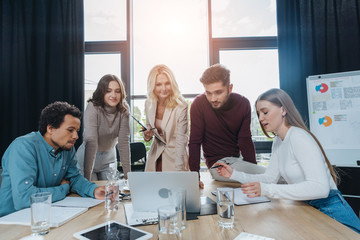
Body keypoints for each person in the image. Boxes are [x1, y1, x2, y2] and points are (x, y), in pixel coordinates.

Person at [214, 88, 360, 233]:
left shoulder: (298, 137)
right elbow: (269, 178)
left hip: (330, 208)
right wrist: (234, 174)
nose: (260, 118)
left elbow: (320, 188)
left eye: (265, 112)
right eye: (258, 114)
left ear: (283, 110)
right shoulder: (278, 141)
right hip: (307, 206)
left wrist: (267, 190)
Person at [0, 102, 106, 217]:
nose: (76, 136)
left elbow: (74, 178)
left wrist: (93, 190)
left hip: (46, 213)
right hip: (13, 221)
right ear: (50, 128)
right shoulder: (23, 147)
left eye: (77, 130)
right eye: (70, 130)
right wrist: (63, 188)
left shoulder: (67, 148)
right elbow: (24, 198)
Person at [189, 64, 263, 188]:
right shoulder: (198, 104)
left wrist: (252, 169)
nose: (213, 98)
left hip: (237, 162)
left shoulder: (243, 103)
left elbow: (245, 140)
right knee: (273, 177)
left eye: (218, 92)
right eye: (208, 93)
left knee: (271, 176)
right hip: (218, 165)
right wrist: (194, 177)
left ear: (230, 88)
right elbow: (194, 143)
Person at [76, 74, 131, 181]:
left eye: (117, 91)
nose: (113, 95)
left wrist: (128, 177)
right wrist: (87, 180)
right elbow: (91, 141)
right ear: (102, 92)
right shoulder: (93, 107)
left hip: (109, 159)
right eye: (108, 91)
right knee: (91, 193)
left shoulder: (124, 109)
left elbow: (124, 142)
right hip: (87, 157)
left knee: (111, 192)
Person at [143, 64, 189, 171]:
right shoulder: (149, 103)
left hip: (175, 157)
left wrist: (179, 171)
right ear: (152, 86)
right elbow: (148, 131)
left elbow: (181, 141)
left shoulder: (181, 106)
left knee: (175, 187)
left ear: (172, 84)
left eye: (167, 83)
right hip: (155, 157)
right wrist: (147, 135)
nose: (163, 89)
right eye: (158, 84)